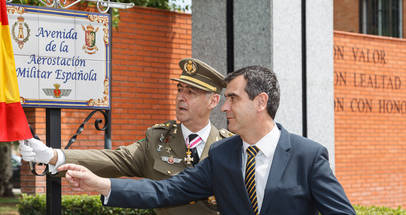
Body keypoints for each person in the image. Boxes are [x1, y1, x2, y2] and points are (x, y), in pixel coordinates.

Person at [57, 65, 356, 215]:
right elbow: (165, 191)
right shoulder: (222, 154)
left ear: (260, 101)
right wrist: (103, 185)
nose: (224, 107)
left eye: (233, 99)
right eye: (224, 99)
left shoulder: (308, 156)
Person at [19, 58, 234, 215]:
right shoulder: (158, 140)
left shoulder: (229, 145)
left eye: (191, 92)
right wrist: (52, 155)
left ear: (213, 101)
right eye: (180, 89)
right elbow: (115, 160)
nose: (181, 97)